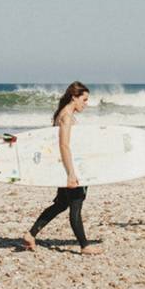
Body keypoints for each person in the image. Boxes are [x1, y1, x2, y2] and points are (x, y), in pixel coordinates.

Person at [22, 82, 103, 254]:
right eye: (84, 99)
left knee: (61, 204)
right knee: (75, 204)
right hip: (68, 167)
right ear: (74, 97)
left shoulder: (62, 114)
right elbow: (64, 145)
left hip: (63, 166)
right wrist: (71, 173)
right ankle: (84, 246)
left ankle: (30, 234)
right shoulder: (66, 116)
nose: (86, 103)